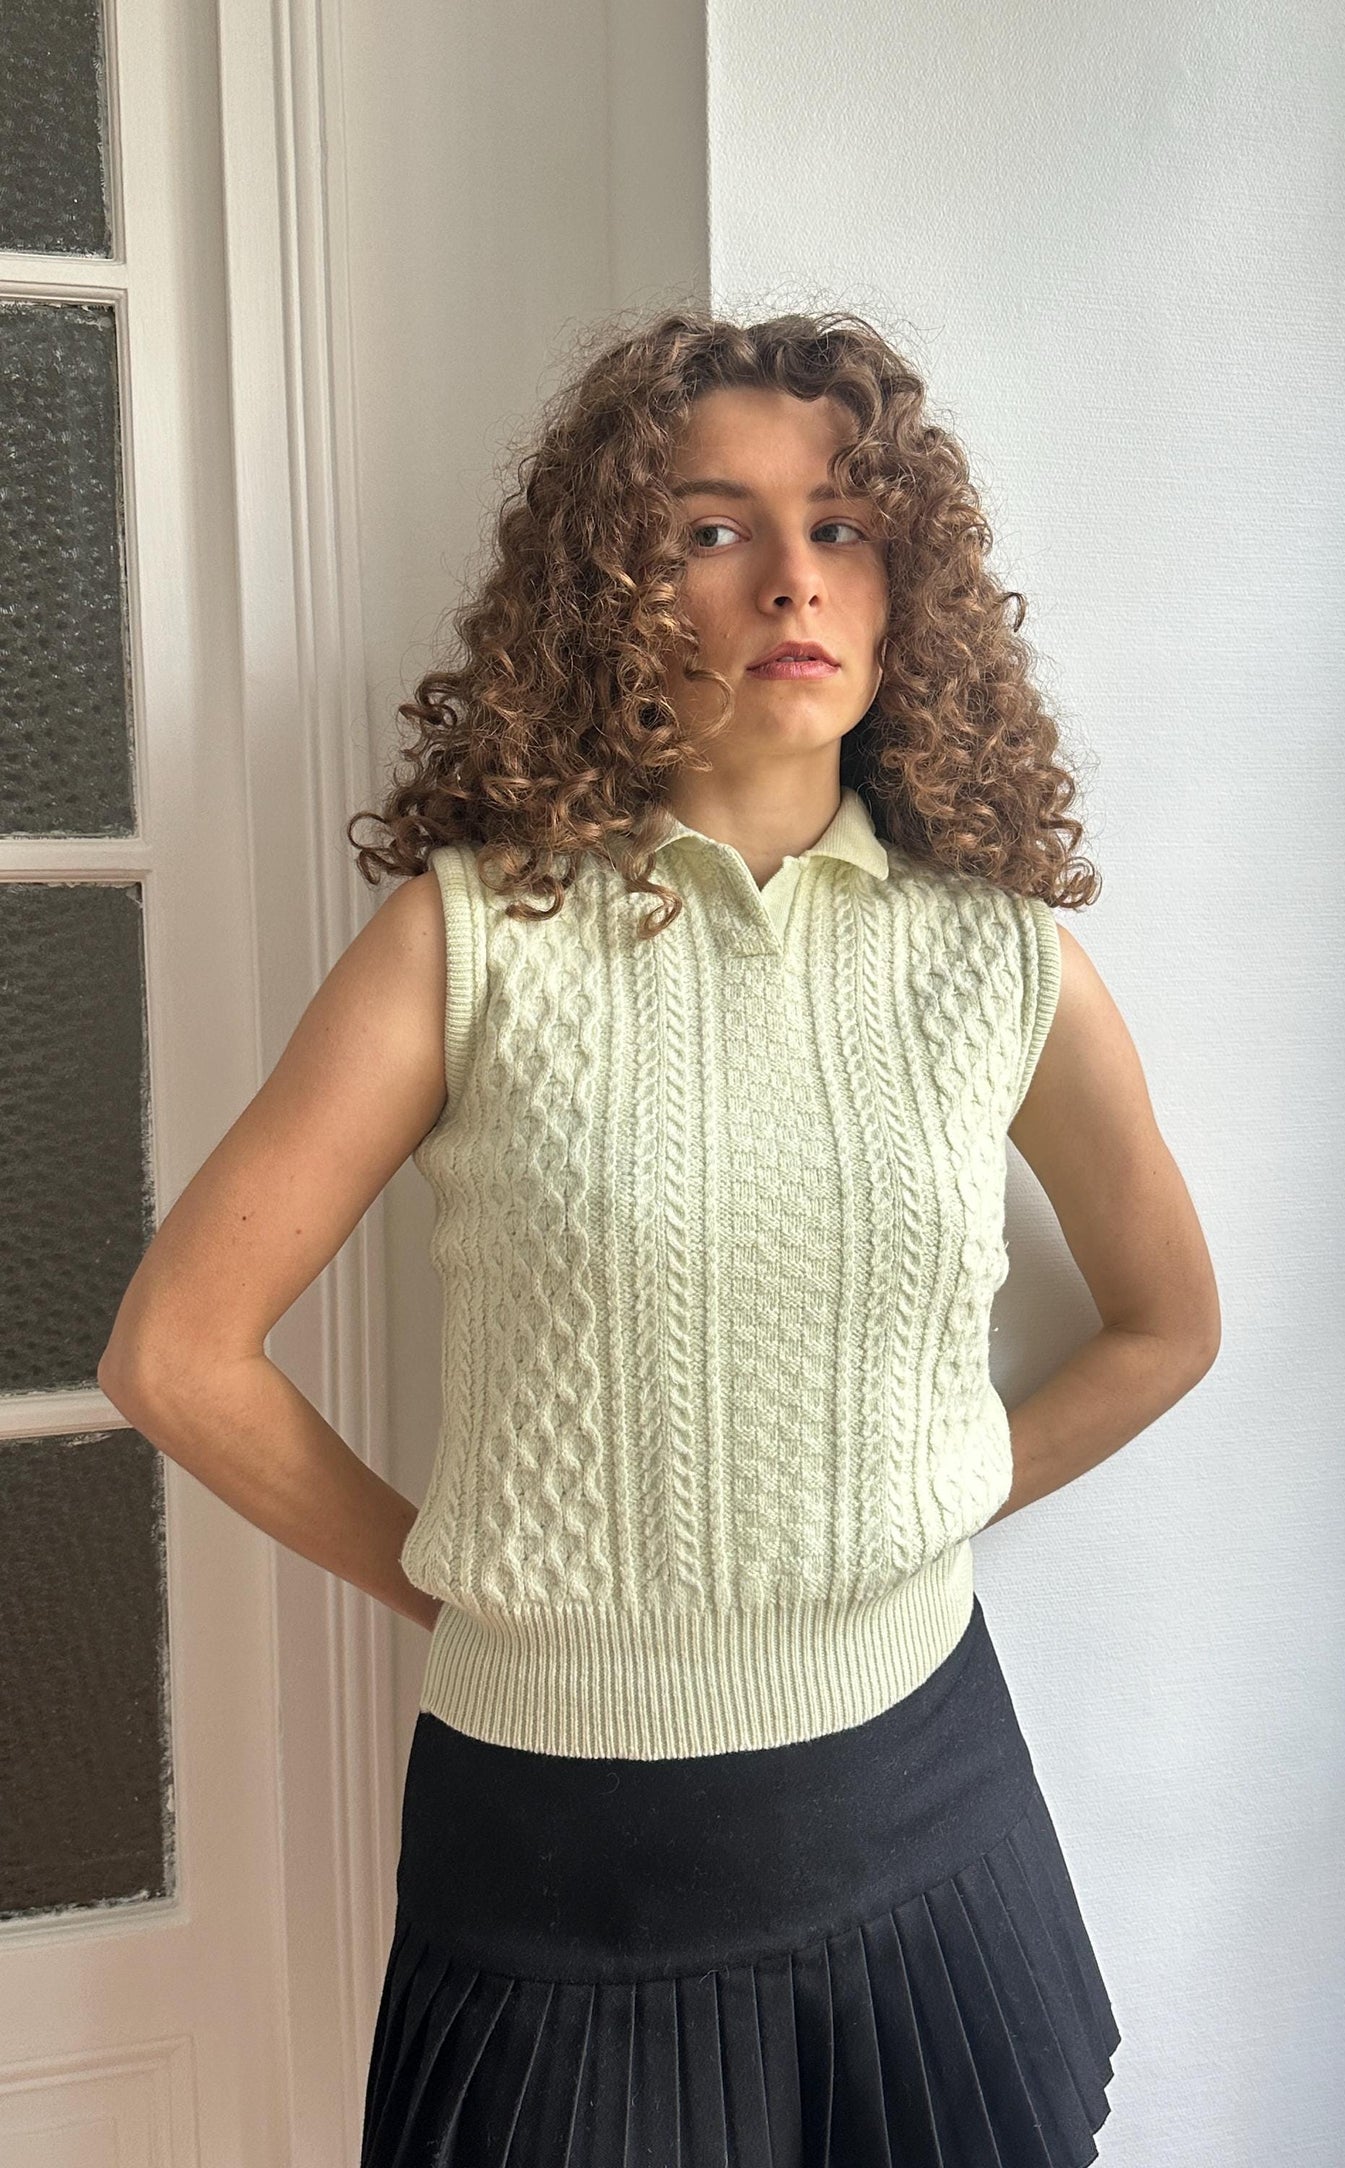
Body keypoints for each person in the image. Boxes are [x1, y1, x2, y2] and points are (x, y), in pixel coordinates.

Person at [101, 308, 1220, 2165]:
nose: (793, 574)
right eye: (714, 529)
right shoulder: (472, 943)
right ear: (615, 585)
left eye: (844, 526)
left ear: (901, 582)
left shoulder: (1000, 958)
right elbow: (174, 1354)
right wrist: (454, 1583)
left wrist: (916, 1499)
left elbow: (1163, 1326)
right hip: (569, 1861)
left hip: (924, 1803)